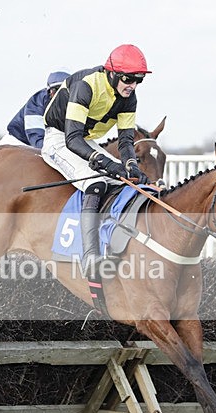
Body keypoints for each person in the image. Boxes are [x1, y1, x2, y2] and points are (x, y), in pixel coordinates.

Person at [41, 44, 152, 269]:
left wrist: (131, 166)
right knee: (96, 182)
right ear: (112, 73)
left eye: (138, 80)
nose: (133, 86)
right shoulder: (86, 86)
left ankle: (112, 242)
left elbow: (126, 141)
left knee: (124, 181)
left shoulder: (129, 98)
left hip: (85, 139)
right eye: (128, 79)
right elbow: (72, 139)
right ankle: (90, 256)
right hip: (59, 137)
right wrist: (110, 164)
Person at [0, 71, 70, 149]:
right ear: (49, 91)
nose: (58, 96)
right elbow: (36, 137)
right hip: (17, 143)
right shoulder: (37, 102)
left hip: (45, 143)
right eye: (55, 90)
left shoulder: (75, 102)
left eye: (62, 90)